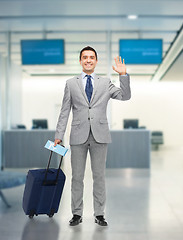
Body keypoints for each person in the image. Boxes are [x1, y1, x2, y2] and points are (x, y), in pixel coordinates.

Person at [54, 46, 131, 226]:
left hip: (100, 135)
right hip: (78, 136)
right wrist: (59, 134)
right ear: (80, 61)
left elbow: (124, 96)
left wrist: (123, 76)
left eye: (91, 57)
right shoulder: (71, 83)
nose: (88, 60)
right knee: (77, 177)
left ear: (96, 61)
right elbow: (65, 111)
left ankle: (99, 214)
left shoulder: (105, 83)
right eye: (85, 57)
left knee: (99, 176)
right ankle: (77, 214)